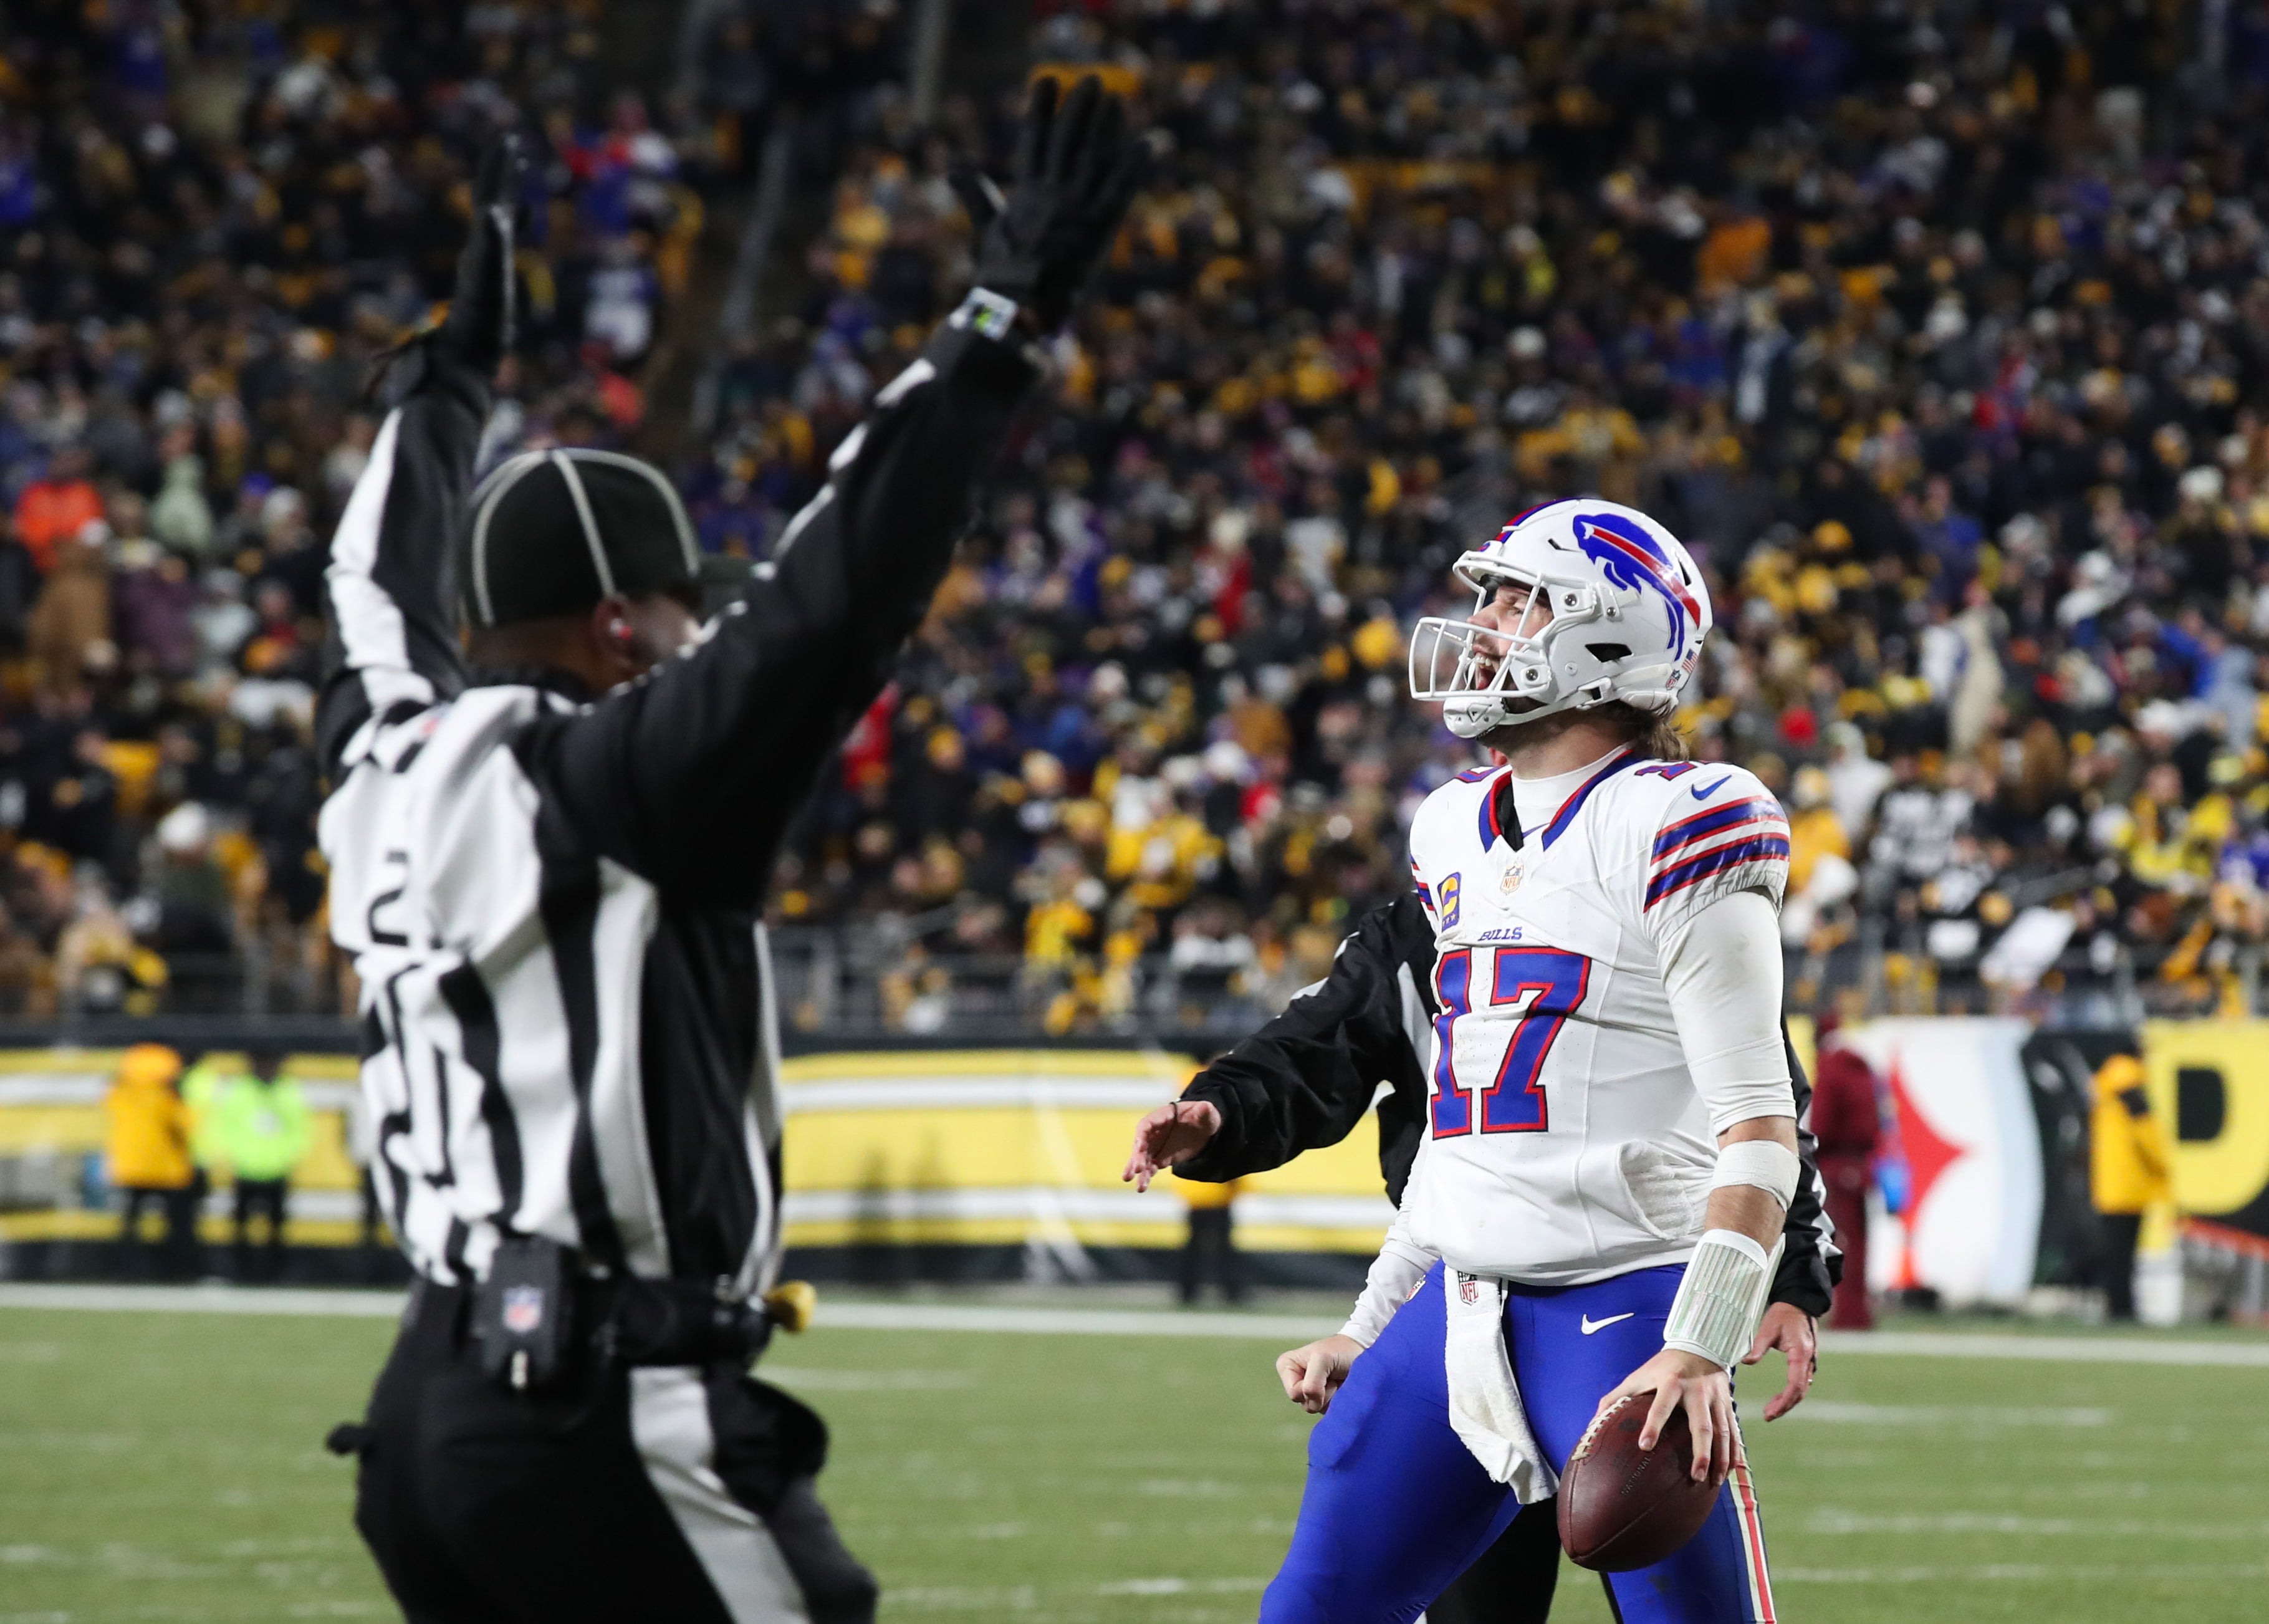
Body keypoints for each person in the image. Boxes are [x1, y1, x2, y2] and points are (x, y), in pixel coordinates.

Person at [319, 89, 1138, 1624]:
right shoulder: (621, 781)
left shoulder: (379, 765)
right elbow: (836, 593)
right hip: (603, 1414)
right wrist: (997, 325)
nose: (700, 632)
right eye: (679, 607)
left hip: (429, 1400)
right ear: (618, 625)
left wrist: (442, 384)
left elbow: (368, 593)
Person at [1157, 499, 1800, 1622]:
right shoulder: (1453, 825)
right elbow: (1468, 1136)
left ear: (1608, 634)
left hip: (1626, 1315)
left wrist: (1701, 1343)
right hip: (1457, 1310)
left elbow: (1760, 1129)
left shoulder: (1684, 821)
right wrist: (1370, 1325)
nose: (1486, 623)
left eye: (1518, 600)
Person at [1126, 888, 1836, 1622]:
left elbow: (1764, 1112)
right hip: (1461, 1313)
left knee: (1680, 1597)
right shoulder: (1430, 911)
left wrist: (1793, 1276)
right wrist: (1225, 1109)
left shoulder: (1657, 897)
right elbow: (1406, 1127)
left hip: (1629, 1309)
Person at [214, 1049, 314, 1283]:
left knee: (277, 1227)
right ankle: (241, 1270)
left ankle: (275, 1272)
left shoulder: (288, 1090)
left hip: (277, 1169)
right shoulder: (240, 1090)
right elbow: (227, 1125)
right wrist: (236, 1156)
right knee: (240, 1225)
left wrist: (287, 1157)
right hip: (245, 1168)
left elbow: (300, 1128)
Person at [1808, 1012, 1880, 1330]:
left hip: (1837, 1165)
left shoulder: (1832, 1068)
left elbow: (1822, 1122)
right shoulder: (1860, 1067)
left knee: (1842, 1242)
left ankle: (1848, 1315)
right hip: (1861, 1166)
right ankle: (1859, 1312)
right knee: (1859, 1242)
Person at [2089, 1047, 2172, 1323]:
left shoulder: (2111, 1080)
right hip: (2128, 1181)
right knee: (2122, 1253)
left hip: (2116, 1182)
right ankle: (2121, 1309)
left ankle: (2120, 1307)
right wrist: (2166, 1160)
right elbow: (2144, 1125)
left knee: (2119, 1252)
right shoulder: (2126, 1077)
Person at [103, 1043, 198, 1280]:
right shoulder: (168, 1095)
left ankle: (125, 1270)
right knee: (175, 1224)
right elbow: (185, 1125)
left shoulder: (122, 1092)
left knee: (131, 1223)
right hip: (167, 1167)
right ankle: (173, 1271)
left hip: (132, 1165)